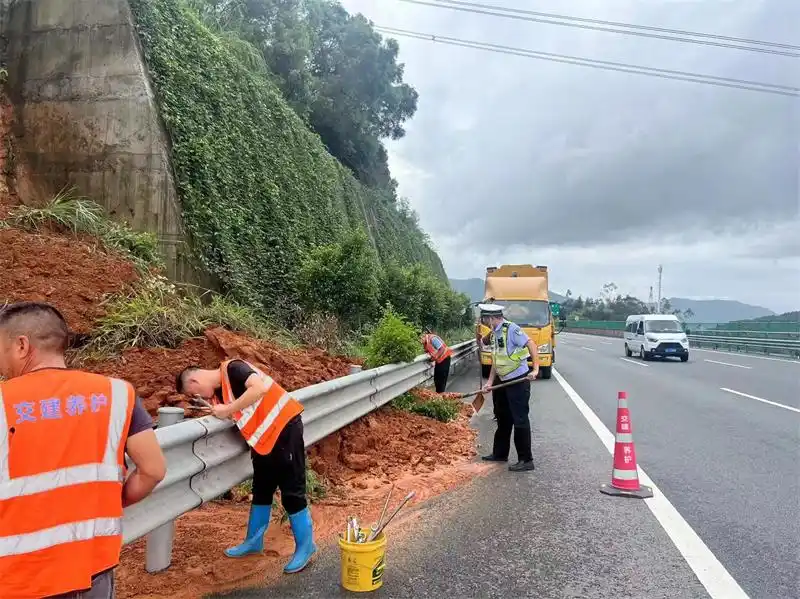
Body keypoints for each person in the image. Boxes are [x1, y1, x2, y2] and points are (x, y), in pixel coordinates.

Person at [0, 302, 166, 598]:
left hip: (18, 575)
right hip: (92, 566)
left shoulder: (4, 401)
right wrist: (108, 501)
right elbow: (153, 469)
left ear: (22, 345)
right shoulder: (117, 393)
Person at [175, 359, 315, 574]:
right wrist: (222, 409)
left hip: (283, 429)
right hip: (263, 439)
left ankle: (306, 546)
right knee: (261, 488)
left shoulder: (234, 368)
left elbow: (257, 388)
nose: (198, 398)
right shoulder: (221, 390)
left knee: (291, 491)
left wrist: (227, 409)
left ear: (194, 380)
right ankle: (254, 541)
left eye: (192, 393)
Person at [478, 303, 539, 472]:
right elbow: (496, 360)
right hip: (503, 381)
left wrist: (535, 369)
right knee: (503, 418)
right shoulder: (494, 334)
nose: (484, 322)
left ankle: (526, 460)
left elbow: (531, 344)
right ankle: (500, 454)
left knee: (519, 419)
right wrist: (490, 382)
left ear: (491, 318)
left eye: (485, 319)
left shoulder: (511, 329)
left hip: (518, 381)